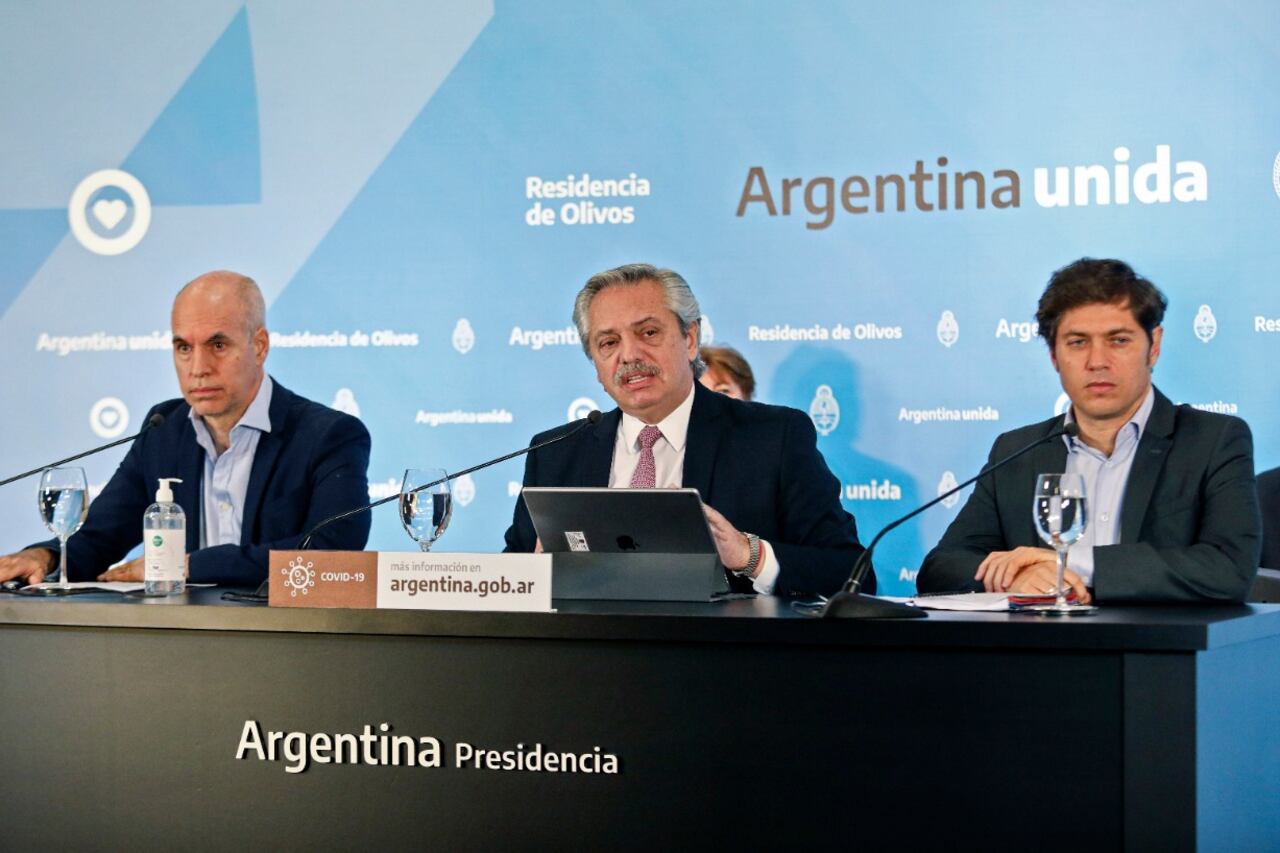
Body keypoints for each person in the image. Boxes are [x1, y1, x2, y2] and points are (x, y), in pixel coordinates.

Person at [503, 263, 866, 597]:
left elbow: (852, 573)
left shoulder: (773, 437)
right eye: (609, 342)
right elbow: (507, 583)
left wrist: (747, 555)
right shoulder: (553, 454)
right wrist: (531, 576)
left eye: (648, 332)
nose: (629, 355)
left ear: (690, 339)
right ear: (595, 364)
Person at [917, 258, 1259, 604]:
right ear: (1053, 355)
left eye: (1119, 340)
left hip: (1155, 652)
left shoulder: (1212, 440)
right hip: (1039, 652)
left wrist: (1069, 563)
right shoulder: (1018, 450)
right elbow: (942, 567)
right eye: (1078, 342)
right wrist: (1019, 575)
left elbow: (1228, 569)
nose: (1097, 361)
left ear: (1153, 346)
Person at [0, 271, 371, 587]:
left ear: (259, 346)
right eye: (183, 347)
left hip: (285, 647)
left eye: (218, 344)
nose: (198, 367)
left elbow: (332, 556)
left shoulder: (329, 435)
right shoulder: (164, 430)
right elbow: (101, 537)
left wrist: (187, 565)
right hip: (183, 647)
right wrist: (46, 557)